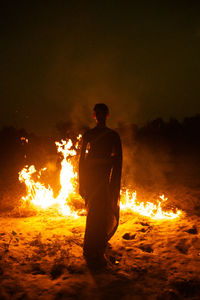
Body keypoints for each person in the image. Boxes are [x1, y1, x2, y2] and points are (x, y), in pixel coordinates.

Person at [79, 103, 122, 268]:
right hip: (91, 179)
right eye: (97, 113)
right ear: (94, 116)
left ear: (107, 115)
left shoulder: (113, 136)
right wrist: (81, 181)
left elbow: (117, 159)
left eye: (102, 113)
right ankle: (91, 250)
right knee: (92, 214)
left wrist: (99, 161)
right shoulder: (88, 135)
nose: (100, 116)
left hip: (104, 179)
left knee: (102, 213)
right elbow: (82, 161)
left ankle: (99, 248)